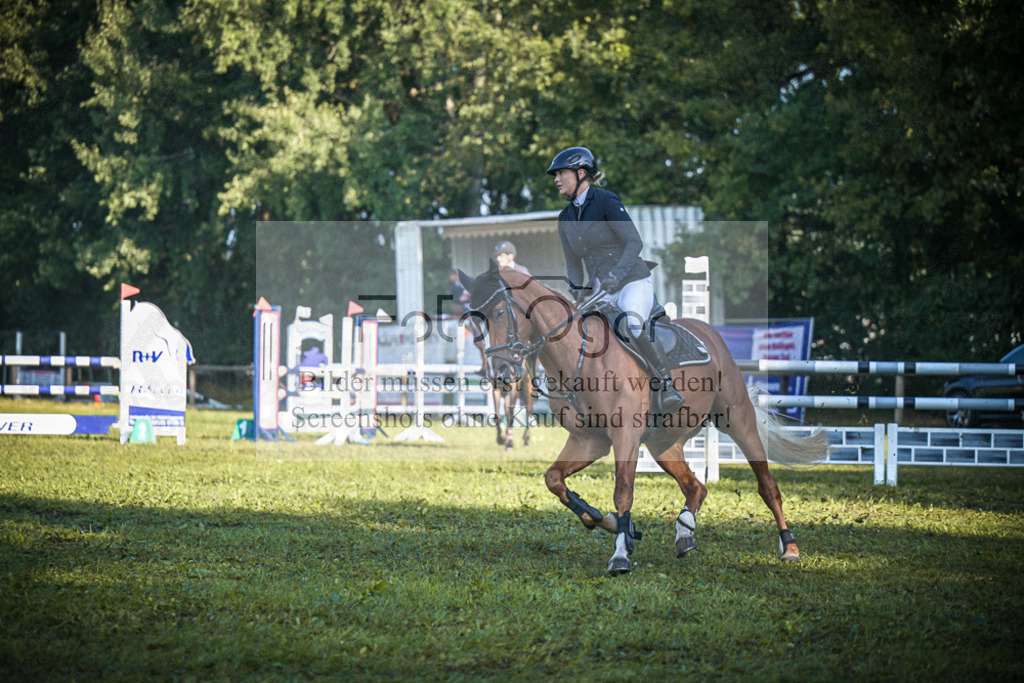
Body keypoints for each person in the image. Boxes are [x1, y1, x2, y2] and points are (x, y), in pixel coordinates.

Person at [548, 146, 685, 412]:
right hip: (601, 289)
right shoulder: (565, 217)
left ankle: (666, 386)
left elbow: (634, 242)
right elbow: (573, 264)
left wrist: (617, 275)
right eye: (556, 174)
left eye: (561, 173)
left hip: (631, 280)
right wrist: (578, 292)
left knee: (631, 325)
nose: (556, 179)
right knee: (584, 335)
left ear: (581, 173)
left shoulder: (606, 201)